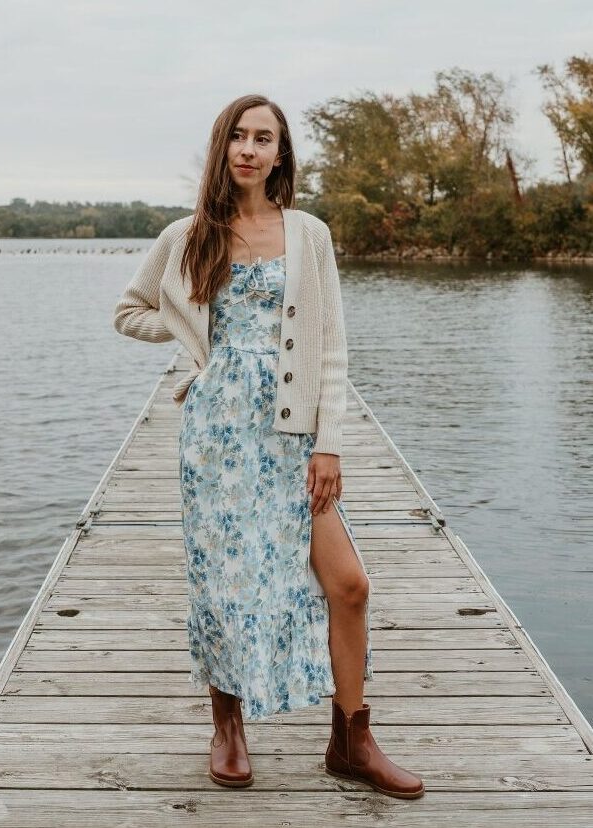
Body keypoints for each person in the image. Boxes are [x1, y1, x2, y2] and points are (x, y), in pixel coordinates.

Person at [113, 93, 424, 799]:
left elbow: (333, 347)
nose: (250, 149)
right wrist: (195, 340)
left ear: (281, 155)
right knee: (223, 583)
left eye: (265, 139)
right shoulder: (188, 234)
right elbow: (129, 311)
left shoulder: (307, 233)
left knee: (348, 584)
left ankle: (351, 741)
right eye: (239, 137)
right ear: (222, 148)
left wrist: (330, 445)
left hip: (293, 435)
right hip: (217, 434)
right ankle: (227, 725)